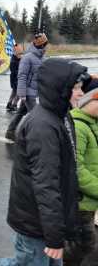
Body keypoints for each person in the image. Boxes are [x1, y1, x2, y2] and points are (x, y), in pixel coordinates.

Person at [0, 58, 88, 266]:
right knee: (27, 262)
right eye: (76, 88)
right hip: (35, 221)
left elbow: (64, 170)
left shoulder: (61, 116)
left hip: (48, 219)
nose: (81, 93)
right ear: (60, 89)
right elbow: (46, 184)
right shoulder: (42, 126)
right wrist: (54, 236)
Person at [63, 79, 98, 266]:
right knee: (83, 244)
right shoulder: (79, 126)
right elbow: (77, 168)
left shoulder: (92, 123)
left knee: (83, 244)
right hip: (81, 203)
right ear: (86, 100)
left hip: (89, 202)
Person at [5, 33, 48, 140]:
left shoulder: (42, 58)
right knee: (35, 116)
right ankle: (27, 136)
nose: (47, 46)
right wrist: (22, 94)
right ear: (42, 45)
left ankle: (10, 131)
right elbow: (22, 76)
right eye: (45, 44)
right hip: (28, 93)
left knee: (20, 112)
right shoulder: (27, 58)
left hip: (35, 92)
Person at [6, 44, 23, 112]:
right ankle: (14, 105)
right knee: (19, 93)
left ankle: (9, 103)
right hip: (15, 79)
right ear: (15, 53)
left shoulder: (18, 59)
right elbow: (14, 71)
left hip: (16, 78)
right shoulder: (13, 61)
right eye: (19, 54)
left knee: (14, 92)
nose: (20, 56)